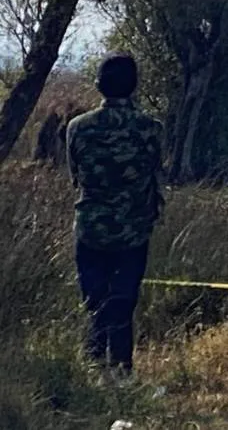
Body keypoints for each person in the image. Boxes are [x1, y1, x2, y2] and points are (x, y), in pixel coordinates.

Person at [66, 53, 164, 384]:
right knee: (124, 299)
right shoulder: (151, 129)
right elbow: (155, 171)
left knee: (93, 300)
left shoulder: (78, 128)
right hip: (134, 229)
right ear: (134, 86)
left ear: (98, 85)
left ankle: (93, 367)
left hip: (91, 226)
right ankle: (121, 368)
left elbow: (75, 176)